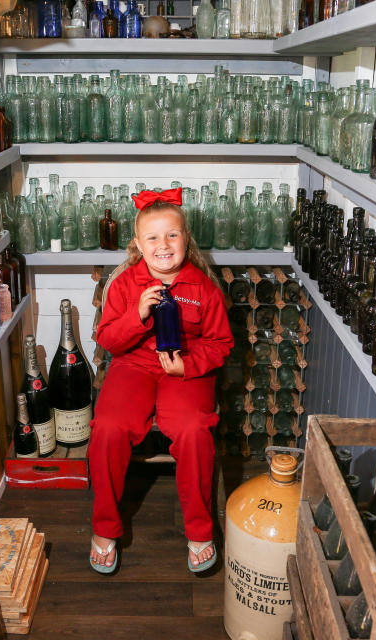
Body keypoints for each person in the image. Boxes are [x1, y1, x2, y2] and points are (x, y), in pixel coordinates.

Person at [88, 187, 233, 575]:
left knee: (193, 428)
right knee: (108, 428)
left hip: (186, 369)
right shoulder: (123, 284)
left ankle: (200, 531)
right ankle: (105, 528)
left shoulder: (203, 288)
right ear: (138, 244)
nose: (163, 245)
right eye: (153, 237)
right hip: (133, 366)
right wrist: (136, 314)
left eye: (172, 235)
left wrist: (187, 366)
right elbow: (107, 339)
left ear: (186, 239)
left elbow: (221, 344)